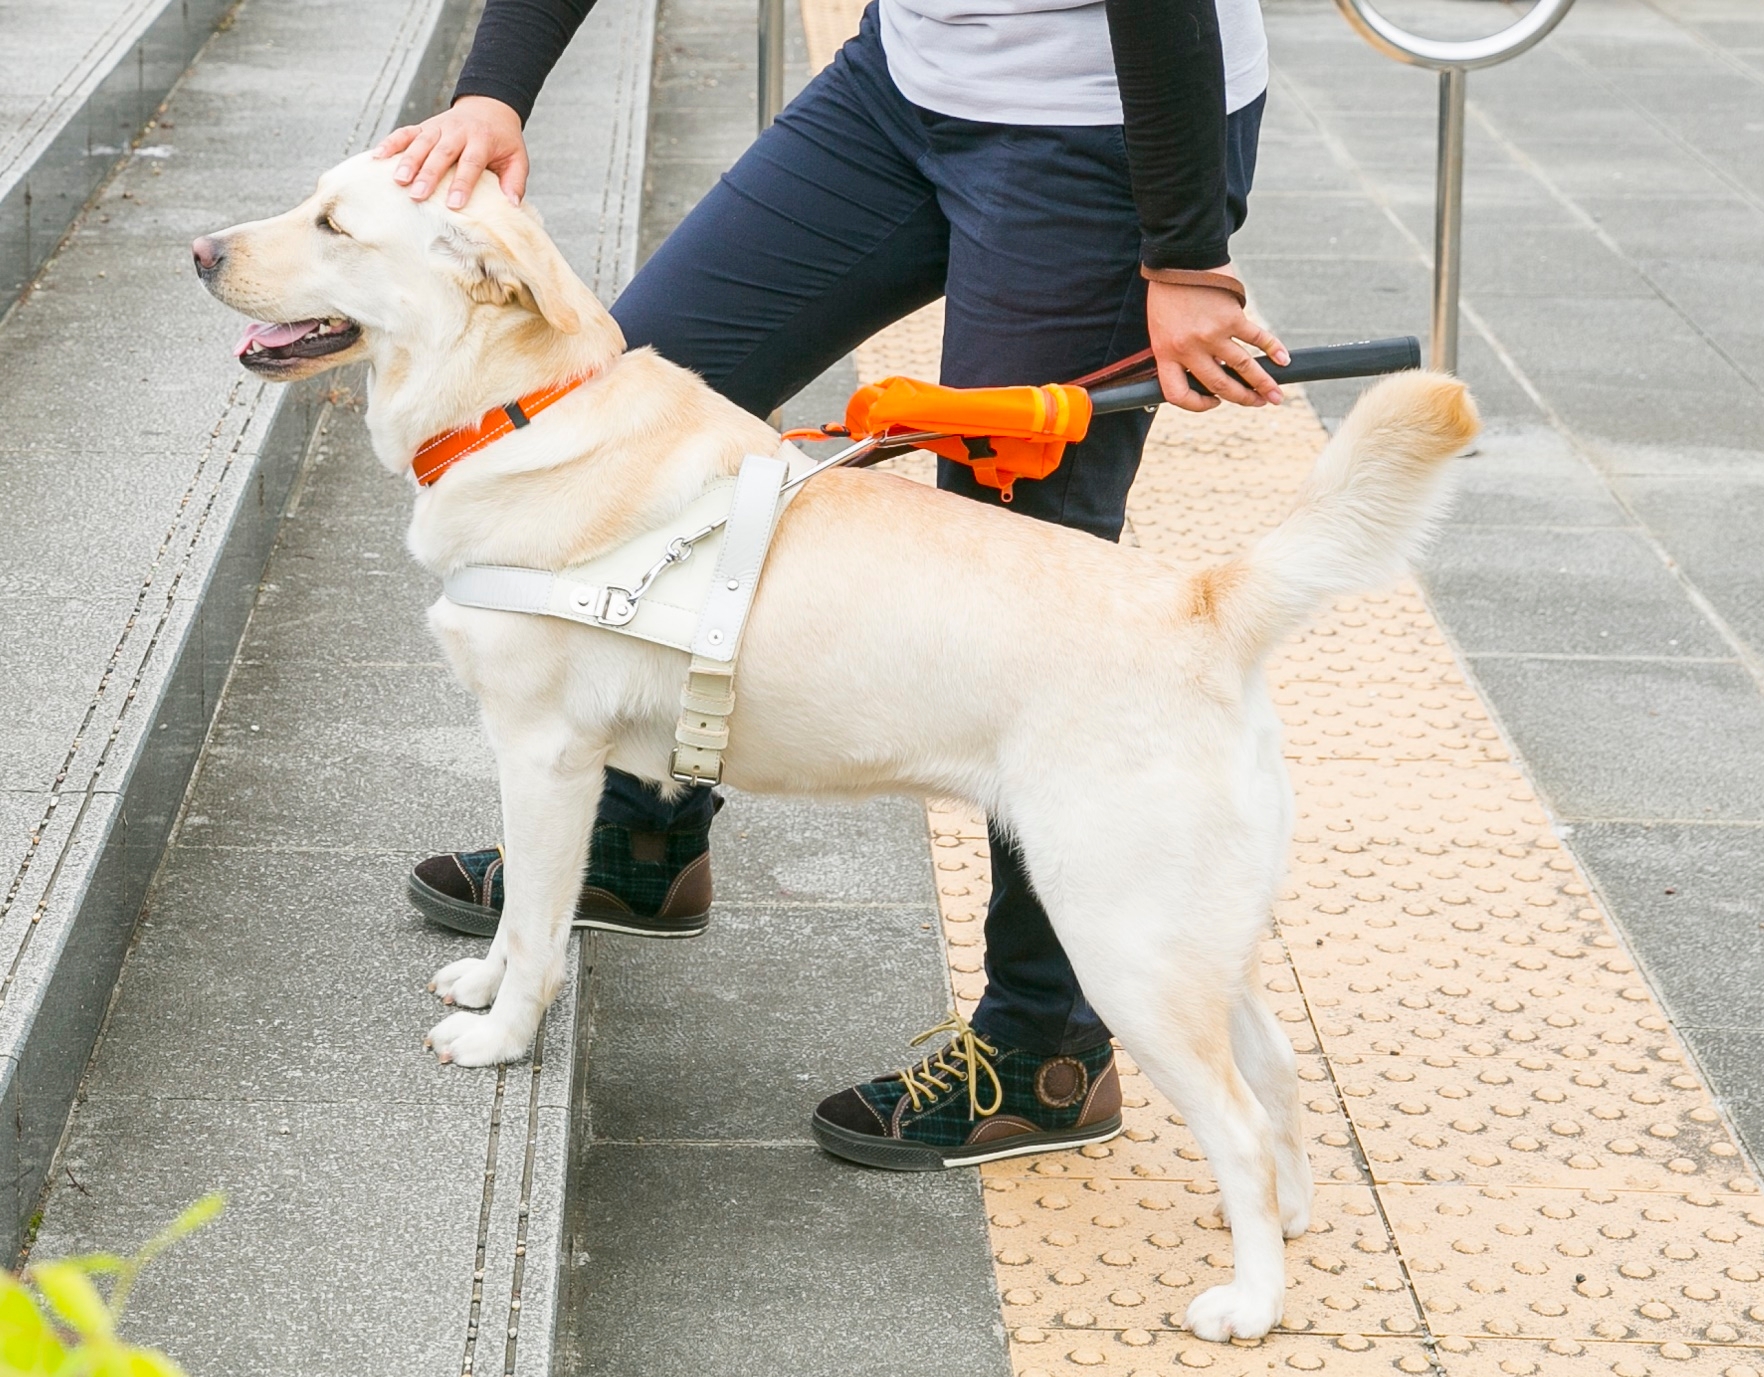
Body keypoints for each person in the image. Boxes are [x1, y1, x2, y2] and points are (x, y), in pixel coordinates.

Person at [383, 0, 1284, 1170]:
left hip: (1101, 122)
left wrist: (1182, 249)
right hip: (903, 83)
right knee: (643, 376)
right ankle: (641, 830)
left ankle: (1041, 1055)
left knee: (1020, 582)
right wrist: (495, 89)